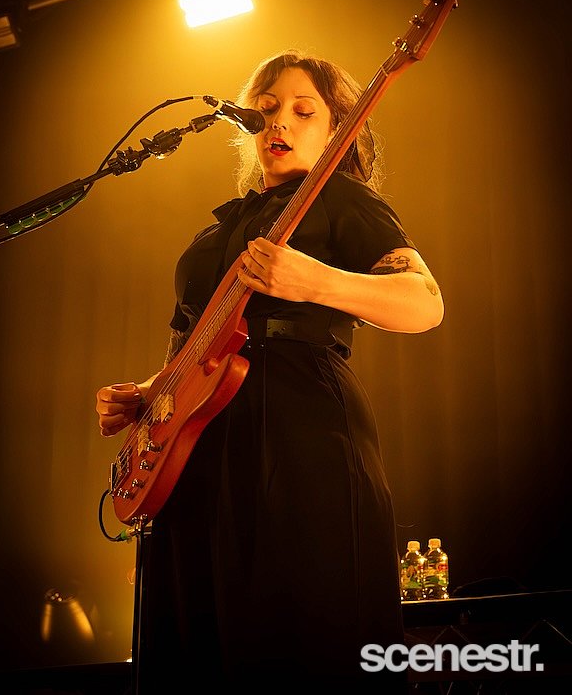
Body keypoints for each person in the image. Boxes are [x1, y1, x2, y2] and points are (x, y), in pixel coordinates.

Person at [96, 49, 444, 689]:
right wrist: (146, 395)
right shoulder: (215, 232)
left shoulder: (340, 201)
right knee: (197, 641)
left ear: (337, 130)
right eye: (266, 108)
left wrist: (315, 281)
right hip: (196, 446)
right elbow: (193, 350)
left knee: (296, 633)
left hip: (296, 422)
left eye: (303, 111)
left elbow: (424, 303)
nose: (279, 121)